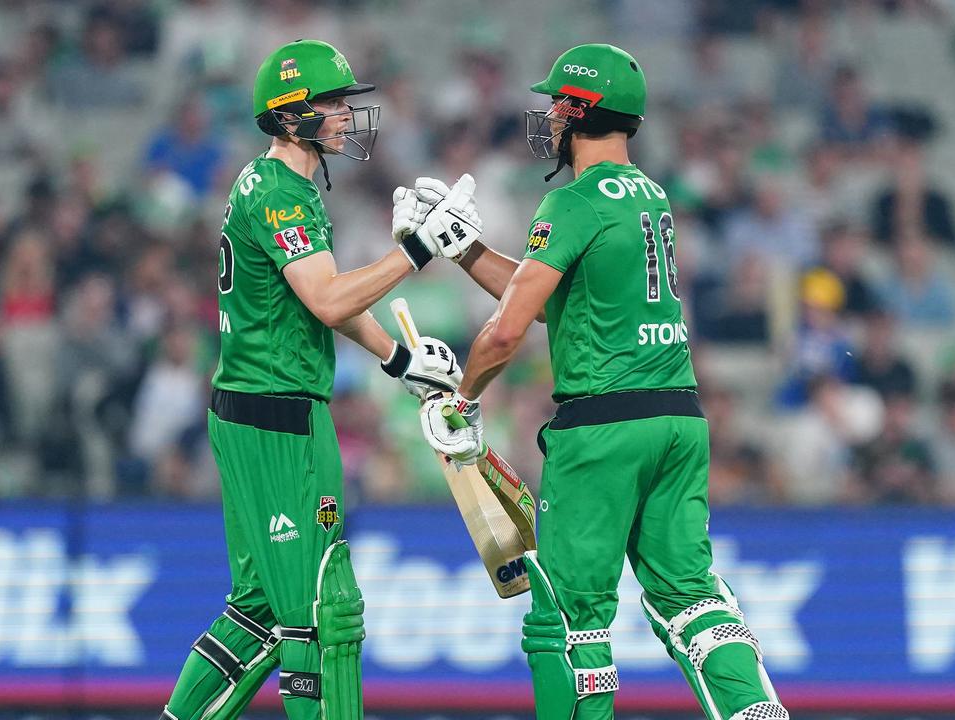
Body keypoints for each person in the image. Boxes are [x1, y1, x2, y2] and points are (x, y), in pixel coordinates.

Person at [416, 44, 788, 720]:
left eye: (558, 102)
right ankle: (752, 709)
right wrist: (465, 247)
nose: (550, 116)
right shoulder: (650, 194)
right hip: (678, 418)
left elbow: (507, 329)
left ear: (581, 109)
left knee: (566, 616)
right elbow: (551, 300)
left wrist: (461, 399)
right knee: (690, 596)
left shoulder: (574, 202)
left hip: (603, 428)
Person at [159, 39, 471, 720]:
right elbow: (329, 300)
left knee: (266, 606)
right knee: (312, 612)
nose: (343, 115)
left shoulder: (290, 186)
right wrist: (415, 251)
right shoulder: (278, 194)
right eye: (330, 103)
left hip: (293, 411)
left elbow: (326, 301)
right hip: (268, 420)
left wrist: (397, 359)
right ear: (289, 114)